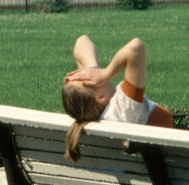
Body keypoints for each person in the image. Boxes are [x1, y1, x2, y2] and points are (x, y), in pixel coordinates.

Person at [62, 34, 173, 162]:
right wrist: (105, 74)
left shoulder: (97, 115)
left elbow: (82, 41)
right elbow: (135, 47)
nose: (93, 76)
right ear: (101, 97)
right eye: (90, 80)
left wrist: (92, 69)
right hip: (163, 165)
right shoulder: (125, 107)